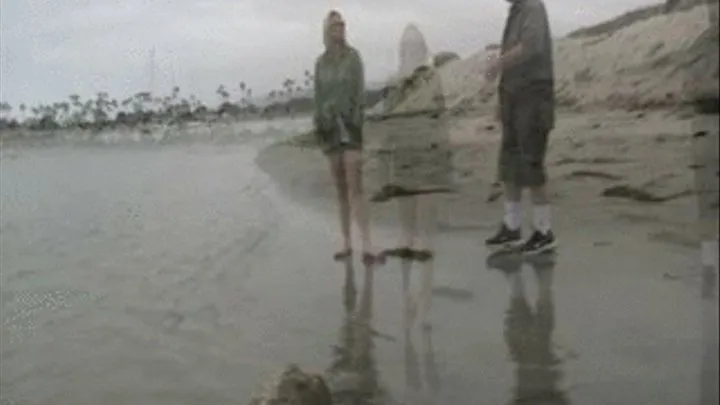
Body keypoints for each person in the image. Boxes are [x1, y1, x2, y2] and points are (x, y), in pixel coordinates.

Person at [372, 23, 452, 265]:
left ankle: (424, 240)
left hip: (426, 144)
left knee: (425, 194)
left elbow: (438, 109)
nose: (411, 50)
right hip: (403, 145)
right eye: (407, 47)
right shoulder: (395, 81)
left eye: (415, 46)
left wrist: (441, 141)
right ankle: (406, 237)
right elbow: (388, 115)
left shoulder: (431, 77)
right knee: (405, 194)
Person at [484, 0, 557, 254]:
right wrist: (502, 98)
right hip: (513, 96)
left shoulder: (533, 7)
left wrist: (498, 63)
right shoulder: (515, 12)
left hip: (534, 96)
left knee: (531, 163)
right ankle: (511, 226)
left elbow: (531, 47)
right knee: (509, 164)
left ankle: (544, 230)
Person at [313, 10, 378, 266]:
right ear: (326, 31)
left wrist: (356, 118)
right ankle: (346, 241)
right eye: (334, 26)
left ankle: (367, 243)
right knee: (340, 189)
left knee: (356, 186)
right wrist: (320, 122)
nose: (339, 30)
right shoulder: (320, 63)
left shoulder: (353, 57)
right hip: (329, 129)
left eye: (341, 25)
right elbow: (318, 98)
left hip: (350, 127)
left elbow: (360, 92)